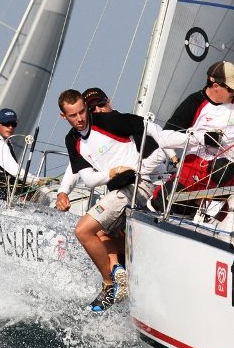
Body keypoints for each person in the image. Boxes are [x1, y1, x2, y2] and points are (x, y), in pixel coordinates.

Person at [59, 88, 175, 313]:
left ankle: (110, 285)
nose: (82, 117)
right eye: (75, 115)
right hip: (119, 191)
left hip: (140, 186)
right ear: (64, 117)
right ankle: (120, 275)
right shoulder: (75, 138)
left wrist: (170, 154)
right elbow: (84, 175)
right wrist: (64, 191)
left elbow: (151, 129)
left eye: (85, 111)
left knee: (84, 230)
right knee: (100, 233)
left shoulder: (112, 122)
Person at [163, 60, 234, 191]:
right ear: (215, 86)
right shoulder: (194, 102)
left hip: (227, 169)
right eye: (231, 89)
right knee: (169, 194)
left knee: (224, 169)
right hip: (196, 165)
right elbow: (165, 138)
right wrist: (203, 138)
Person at [0, 107, 40, 202]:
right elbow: (14, 169)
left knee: (32, 191)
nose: (10, 127)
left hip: (1, 184)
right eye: (6, 124)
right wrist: (35, 181)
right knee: (34, 191)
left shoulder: (6, 142)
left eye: (13, 124)